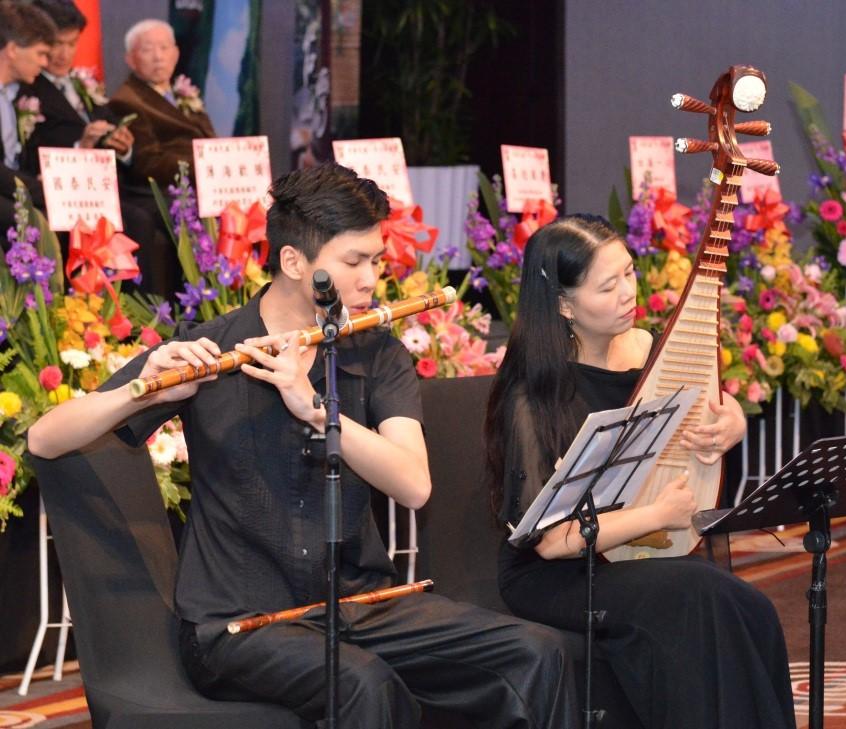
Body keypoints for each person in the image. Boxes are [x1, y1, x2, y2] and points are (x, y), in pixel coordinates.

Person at [29, 164, 577, 729]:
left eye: (376, 260)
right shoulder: (212, 349)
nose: (370, 280)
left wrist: (316, 407)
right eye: (353, 263)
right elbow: (45, 437)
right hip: (240, 622)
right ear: (294, 262)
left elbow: (413, 483)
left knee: (537, 653)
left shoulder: (375, 352)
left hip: (362, 605)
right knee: (364, 684)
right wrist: (136, 395)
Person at [484, 215, 796, 729]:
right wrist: (658, 513)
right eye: (608, 286)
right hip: (560, 571)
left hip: (638, 548)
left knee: (752, 608)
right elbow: (550, 541)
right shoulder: (531, 395)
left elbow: (709, 403)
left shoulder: (649, 348)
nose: (629, 292)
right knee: (701, 598)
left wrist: (732, 420)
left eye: (630, 273)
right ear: (564, 305)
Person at [19, 0, 178, 296]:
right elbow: (31, 151)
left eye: (72, 43)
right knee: (137, 219)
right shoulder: (28, 88)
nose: (64, 53)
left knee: (161, 213)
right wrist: (83, 145)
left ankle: (157, 313)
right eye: (56, 44)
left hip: (103, 187)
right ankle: (139, 316)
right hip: (63, 193)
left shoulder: (82, 83)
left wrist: (123, 145)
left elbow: (113, 126)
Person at [108, 19, 214, 190]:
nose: (158, 57)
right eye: (147, 50)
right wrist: (205, 165)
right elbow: (148, 163)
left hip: (212, 184)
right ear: (130, 59)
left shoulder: (183, 92)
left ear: (176, 54)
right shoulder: (126, 101)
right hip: (174, 192)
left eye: (164, 48)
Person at [0, 1, 53, 238]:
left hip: (13, 189)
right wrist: (39, 189)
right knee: (35, 222)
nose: (44, 63)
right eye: (40, 53)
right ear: (12, 49)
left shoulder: (15, 95)